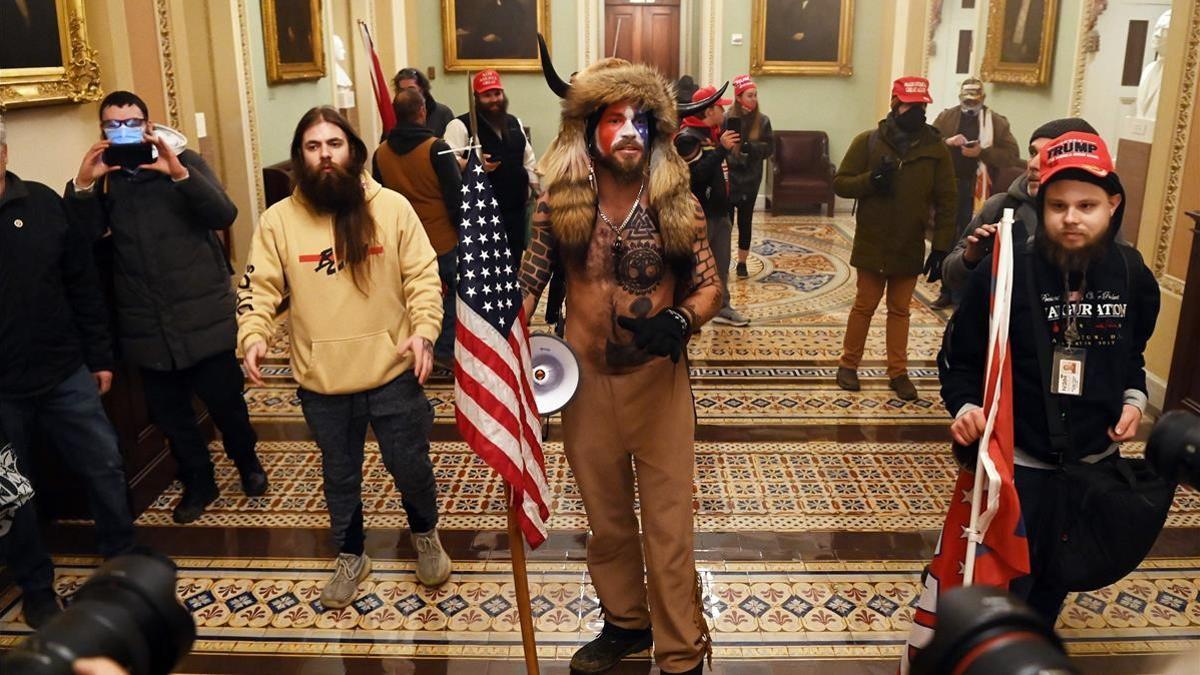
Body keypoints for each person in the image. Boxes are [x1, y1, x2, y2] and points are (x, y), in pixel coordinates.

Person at [523, 47, 725, 674]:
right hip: (584, 388)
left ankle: (682, 649)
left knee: (668, 529)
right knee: (608, 524)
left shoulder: (679, 206)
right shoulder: (559, 203)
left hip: (658, 388)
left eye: (638, 119)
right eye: (612, 119)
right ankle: (627, 624)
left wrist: (681, 318)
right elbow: (527, 284)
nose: (627, 131)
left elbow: (711, 288)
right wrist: (494, 342)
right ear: (590, 130)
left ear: (657, 131)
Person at [940, 131, 1159, 622]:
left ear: (1113, 204)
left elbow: (1131, 354)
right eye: (1058, 205)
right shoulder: (1004, 271)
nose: (1072, 218)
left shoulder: (1132, 275)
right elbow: (961, 359)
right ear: (1042, 202)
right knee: (999, 592)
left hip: (1091, 468)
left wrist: (1133, 398)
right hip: (1017, 471)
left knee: (1053, 584)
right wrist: (966, 408)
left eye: (1087, 205)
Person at [237, 107, 451, 608]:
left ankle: (425, 535)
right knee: (339, 475)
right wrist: (252, 332)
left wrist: (423, 331)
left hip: (393, 370)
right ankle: (352, 554)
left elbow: (423, 279)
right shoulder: (278, 222)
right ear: (301, 158)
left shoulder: (393, 208)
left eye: (334, 144)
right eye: (313, 147)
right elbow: (258, 288)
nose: (325, 155)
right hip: (323, 381)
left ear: (352, 150)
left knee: (411, 465)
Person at [66, 91, 266, 524]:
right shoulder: (104, 179)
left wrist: (177, 173)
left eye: (131, 123)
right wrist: (83, 186)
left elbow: (224, 214)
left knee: (226, 403)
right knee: (172, 418)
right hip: (145, 324)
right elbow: (80, 242)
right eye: (113, 125)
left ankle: (248, 463)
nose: (123, 132)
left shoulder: (185, 160)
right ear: (103, 132)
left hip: (202, 314)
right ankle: (199, 482)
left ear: (148, 125)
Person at [0, 114, 137, 628]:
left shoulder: (42, 204)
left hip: (64, 374)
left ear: (5, 154)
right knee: (15, 494)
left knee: (104, 464)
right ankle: (35, 586)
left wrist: (100, 358)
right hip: (2, 392)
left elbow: (83, 286)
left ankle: (122, 560)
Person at [833, 76, 956, 401]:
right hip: (873, 241)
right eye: (909, 106)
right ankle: (848, 364)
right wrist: (871, 180)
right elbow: (841, 184)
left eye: (921, 107)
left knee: (900, 310)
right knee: (864, 306)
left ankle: (898, 372)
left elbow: (947, 199)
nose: (916, 112)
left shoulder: (935, 150)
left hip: (909, 242)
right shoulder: (868, 141)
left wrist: (943, 245)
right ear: (894, 104)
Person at [941, 118, 1100, 294]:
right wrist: (970, 258)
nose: (1032, 164)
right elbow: (950, 276)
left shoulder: (1098, 219)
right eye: (1033, 153)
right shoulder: (1001, 206)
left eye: (1050, 155)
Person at [374, 89, 463, 366]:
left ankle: (414, 348)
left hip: (400, 242)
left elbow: (379, 200)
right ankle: (444, 353)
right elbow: (455, 197)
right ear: (423, 111)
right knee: (447, 299)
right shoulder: (437, 148)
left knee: (409, 297)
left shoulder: (380, 154)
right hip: (440, 240)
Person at [930, 78, 1021, 308]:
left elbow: (1011, 154)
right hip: (949, 183)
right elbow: (928, 143)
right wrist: (946, 142)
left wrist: (982, 153)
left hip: (979, 187)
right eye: (966, 100)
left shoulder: (997, 122)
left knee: (970, 238)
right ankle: (945, 288)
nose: (970, 104)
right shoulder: (946, 117)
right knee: (948, 235)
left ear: (983, 99)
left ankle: (964, 293)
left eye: (974, 100)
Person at [444, 70, 539, 263]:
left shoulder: (514, 122)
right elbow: (448, 161)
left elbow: (528, 161)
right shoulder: (459, 125)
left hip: (516, 212)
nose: (494, 99)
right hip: (482, 215)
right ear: (476, 98)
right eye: (487, 95)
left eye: (497, 93)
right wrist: (472, 164)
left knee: (513, 264)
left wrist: (538, 191)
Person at [676, 83, 750, 326]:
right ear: (708, 111)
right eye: (720, 108)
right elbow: (695, 176)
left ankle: (722, 307)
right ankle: (687, 313)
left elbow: (722, 173)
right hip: (699, 216)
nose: (724, 113)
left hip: (720, 213)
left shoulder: (713, 135)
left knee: (721, 266)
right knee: (692, 269)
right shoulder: (687, 139)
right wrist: (720, 150)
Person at [725, 74, 774, 279]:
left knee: (745, 222)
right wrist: (734, 155)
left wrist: (749, 147)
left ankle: (742, 263)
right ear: (738, 97)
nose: (754, 99)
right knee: (726, 223)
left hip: (751, 180)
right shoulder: (728, 118)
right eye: (749, 95)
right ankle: (724, 260)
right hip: (730, 180)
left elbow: (769, 148)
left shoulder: (762, 121)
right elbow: (723, 148)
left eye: (755, 95)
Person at [392, 67, 456, 138]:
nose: (407, 94)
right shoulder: (393, 114)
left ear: (422, 89)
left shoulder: (443, 113)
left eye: (411, 89)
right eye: (402, 90)